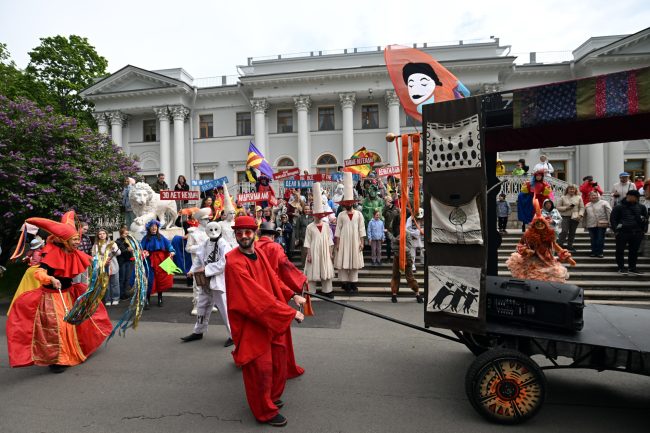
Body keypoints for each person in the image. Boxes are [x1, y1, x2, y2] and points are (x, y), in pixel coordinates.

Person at [225, 215, 306, 427]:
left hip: (270, 316)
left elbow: (274, 279)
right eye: (239, 233)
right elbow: (254, 298)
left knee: (279, 360)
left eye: (248, 232)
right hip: (252, 322)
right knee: (260, 368)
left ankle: (270, 396)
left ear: (255, 233)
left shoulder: (259, 252)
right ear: (235, 235)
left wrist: (291, 295)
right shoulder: (233, 262)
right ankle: (263, 411)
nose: (244, 236)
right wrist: (289, 313)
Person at [6, 212, 113, 372]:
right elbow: (39, 272)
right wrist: (51, 279)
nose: (78, 242)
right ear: (65, 240)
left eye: (78, 239)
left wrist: (104, 262)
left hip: (69, 293)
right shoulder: (52, 253)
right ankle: (57, 360)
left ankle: (72, 351)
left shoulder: (73, 252)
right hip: (52, 297)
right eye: (75, 239)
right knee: (58, 328)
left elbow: (91, 260)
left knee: (75, 324)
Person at [256, 221, 308, 379]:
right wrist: (300, 280)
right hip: (274, 292)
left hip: (257, 293)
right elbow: (285, 268)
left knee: (259, 331)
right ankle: (281, 366)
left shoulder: (254, 247)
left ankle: (260, 364)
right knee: (279, 332)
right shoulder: (275, 247)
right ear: (273, 235)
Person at [182, 221, 234, 346]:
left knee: (224, 308)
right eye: (210, 230)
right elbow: (199, 260)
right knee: (202, 306)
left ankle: (234, 335)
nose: (213, 232)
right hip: (206, 281)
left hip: (218, 281)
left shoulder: (223, 244)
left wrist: (206, 269)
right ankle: (198, 331)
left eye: (215, 230)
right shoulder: (205, 243)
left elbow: (224, 262)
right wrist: (192, 271)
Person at [506, 202, 575, 283]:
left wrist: (567, 257)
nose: (539, 224)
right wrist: (526, 250)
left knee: (550, 277)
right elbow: (519, 245)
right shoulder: (527, 234)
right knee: (533, 279)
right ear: (534, 224)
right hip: (532, 260)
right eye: (537, 223)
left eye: (542, 223)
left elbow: (555, 245)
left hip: (547, 260)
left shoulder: (549, 234)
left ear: (545, 224)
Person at [334, 172, 366, 293]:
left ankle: (353, 283)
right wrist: (337, 243)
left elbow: (361, 229)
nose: (347, 205)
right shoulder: (341, 215)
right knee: (343, 261)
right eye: (345, 203)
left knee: (354, 262)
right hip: (343, 241)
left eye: (349, 203)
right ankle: (345, 283)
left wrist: (362, 242)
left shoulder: (359, 214)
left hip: (355, 240)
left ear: (352, 203)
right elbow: (338, 230)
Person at [304, 183, 336, 298]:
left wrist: (331, 252)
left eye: (320, 215)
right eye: (316, 215)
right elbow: (307, 242)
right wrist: (308, 254)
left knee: (326, 269)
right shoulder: (310, 227)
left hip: (325, 251)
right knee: (313, 270)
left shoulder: (326, 226)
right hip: (313, 251)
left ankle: (327, 291)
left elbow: (330, 240)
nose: (318, 217)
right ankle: (311, 291)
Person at [610, 189, 647, 275]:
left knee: (634, 251)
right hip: (623, 232)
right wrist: (616, 230)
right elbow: (613, 219)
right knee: (620, 250)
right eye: (629, 196)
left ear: (636, 198)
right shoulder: (619, 206)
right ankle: (621, 267)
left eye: (633, 196)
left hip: (637, 232)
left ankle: (632, 267)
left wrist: (643, 230)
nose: (630, 197)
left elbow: (645, 218)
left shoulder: (641, 207)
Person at [140, 219, 175, 308]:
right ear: (149, 228)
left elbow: (169, 245)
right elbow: (140, 249)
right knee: (149, 279)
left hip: (160, 260)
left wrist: (171, 251)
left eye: (155, 226)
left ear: (157, 228)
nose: (154, 228)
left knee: (160, 279)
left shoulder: (161, 237)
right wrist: (144, 252)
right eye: (152, 227)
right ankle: (147, 299)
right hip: (149, 261)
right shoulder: (145, 238)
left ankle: (160, 298)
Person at [390, 231, 423, 303]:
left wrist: (402, 246)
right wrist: (398, 243)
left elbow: (409, 247)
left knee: (410, 277)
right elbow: (393, 246)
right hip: (397, 257)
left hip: (407, 258)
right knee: (395, 276)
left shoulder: (407, 233)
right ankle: (394, 294)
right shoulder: (395, 234)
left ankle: (417, 294)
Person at [92, 228, 121, 306]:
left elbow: (119, 253)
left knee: (115, 282)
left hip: (112, 264)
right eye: (100, 234)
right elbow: (94, 256)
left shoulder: (112, 243)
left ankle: (115, 298)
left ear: (106, 235)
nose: (102, 235)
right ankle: (107, 299)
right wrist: (101, 260)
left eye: (103, 233)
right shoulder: (96, 245)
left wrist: (114, 249)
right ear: (98, 236)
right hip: (102, 266)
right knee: (105, 283)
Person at [556, 184, 584, 252]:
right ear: (567, 190)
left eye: (573, 189)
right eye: (570, 189)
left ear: (575, 190)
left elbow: (582, 207)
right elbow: (558, 207)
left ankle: (570, 245)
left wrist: (580, 215)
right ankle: (559, 244)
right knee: (564, 231)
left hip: (575, 217)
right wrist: (566, 208)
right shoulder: (563, 197)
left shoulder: (579, 197)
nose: (572, 190)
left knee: (572, 232)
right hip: (565, 216)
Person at [584, 191, 612, 258]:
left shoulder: (604, 203)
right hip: (591, 224)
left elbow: (609, 212)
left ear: (598, 195)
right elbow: (585, 215)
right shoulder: (587, 205)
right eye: (592, 195)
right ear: (589, 197)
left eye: (595, 195)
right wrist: (584, 225)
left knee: (600, 238)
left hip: (602, 223)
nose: (594, 196)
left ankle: (600, 252)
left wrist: (610, 222)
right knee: (593, 239)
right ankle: (593, 252)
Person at [115, 226, 134, 300]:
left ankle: (126, 293)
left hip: (129, 261)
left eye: (127, 233)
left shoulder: (129, 241)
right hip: (122, 262)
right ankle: (121, 294)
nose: (127, 235)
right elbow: (119, 252)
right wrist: (127, 249)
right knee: (122, 278)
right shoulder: (118, 241)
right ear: (121, 234)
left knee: (127, 278)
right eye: (125, 234)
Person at [382, 196, 400, 262]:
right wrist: (387, 207)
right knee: (388, 245)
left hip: (396, 230)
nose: (389, 201)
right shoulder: (385, 209)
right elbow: (383, 214)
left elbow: (399, 219)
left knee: (396, 244)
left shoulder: (396, 209)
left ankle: (396, 258)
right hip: (388, 229)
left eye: (390, 200)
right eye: (388, 200)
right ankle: (388, 258)